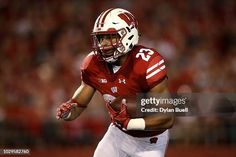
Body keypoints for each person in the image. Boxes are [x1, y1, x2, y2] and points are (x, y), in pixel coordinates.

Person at [56, 8, 174, 157]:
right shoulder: (92, 63)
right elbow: (79, 104)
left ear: (128, 35)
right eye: (100, 38)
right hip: (118, 134)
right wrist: (69, 111)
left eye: (110, 37)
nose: (103, 44)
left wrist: (130, 123)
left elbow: (167, 116)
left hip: (150, 141)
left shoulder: (147, 62)